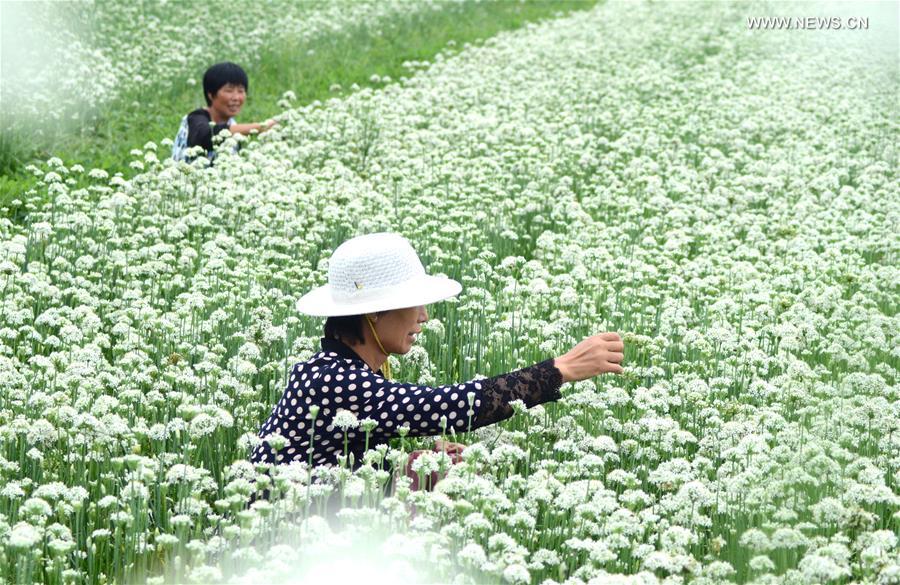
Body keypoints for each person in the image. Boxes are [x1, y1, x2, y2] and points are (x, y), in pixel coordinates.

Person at [249, 232, 624, 491]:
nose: (424, 316)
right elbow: (448, 407)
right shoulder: (331, 379)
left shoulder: (337, 367)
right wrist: (561, 369)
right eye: (416, 302)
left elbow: (335, 460)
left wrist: (410, 460)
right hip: (279, 536)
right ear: (375, 313)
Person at [172, 62, 276, 162]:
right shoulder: (195, 119)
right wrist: (259, 127)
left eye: (241, 91)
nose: (236, 98)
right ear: (211, 94)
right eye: (229, 91)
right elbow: (206, 136)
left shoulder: (233, 125)